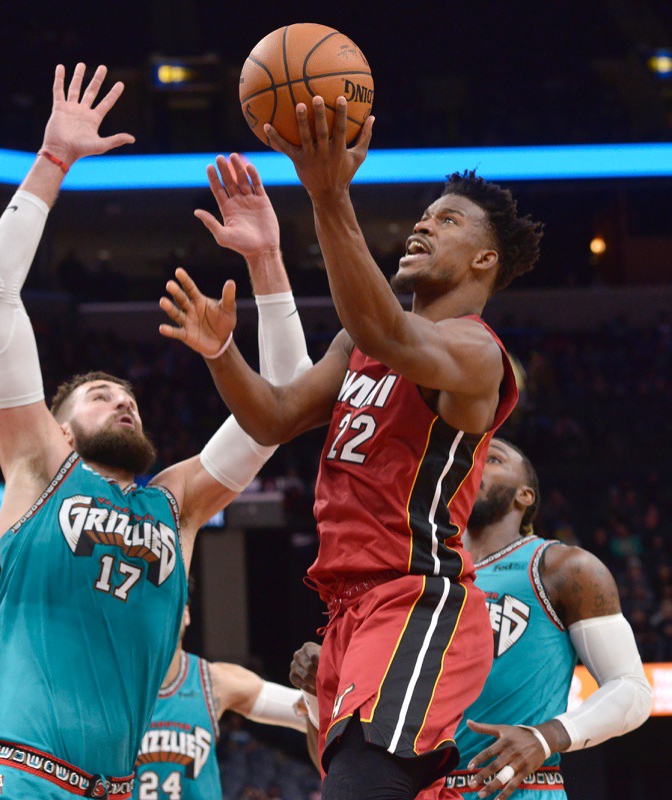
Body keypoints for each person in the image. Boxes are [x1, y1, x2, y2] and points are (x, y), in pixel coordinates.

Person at [0, 62, 313, 800]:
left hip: (112, 785)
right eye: (98, 395)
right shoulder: (39, 467)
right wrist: (53, 161)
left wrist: (268, 262)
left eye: (128, 397)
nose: (123, 403)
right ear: (55, 425)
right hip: (15, 771)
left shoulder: (173, 504)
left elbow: (284, 406)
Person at [160, 98, 541, 799]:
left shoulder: (473, 351)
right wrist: (221, 352)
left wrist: (328, 191)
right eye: (425, 214)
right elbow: (274, 418)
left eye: (448, 220)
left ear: (485, 259)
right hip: (350, 612)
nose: (425, 223)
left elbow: (390, 331)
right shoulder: (358, 344)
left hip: (415, 602)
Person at [290, 439, 653, 800]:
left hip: (517, 786)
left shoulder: (562, 567)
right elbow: (346, 768)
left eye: (491, 458)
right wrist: (318, 690)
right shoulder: (406, 581)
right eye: (469, 456)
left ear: (524, 496)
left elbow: (632, 689)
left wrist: (546, 737)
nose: (475, 463)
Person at [0, 604, 308, 800]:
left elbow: (303, 713)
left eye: (171, 604)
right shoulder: (90, 683)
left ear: (186, 614)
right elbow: (21, 726)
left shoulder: (215, 681)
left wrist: (314, 684)